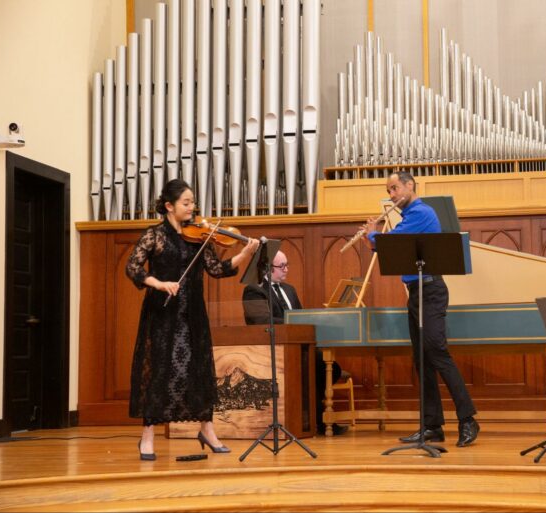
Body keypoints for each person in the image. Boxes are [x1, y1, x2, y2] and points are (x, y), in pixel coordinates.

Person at [126, 179, 260, 460]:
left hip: (193, 313)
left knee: (198, 370)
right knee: (160, 370)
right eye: (186, 203)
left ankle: (207, 429)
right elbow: (133, 267)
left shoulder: (200, 236)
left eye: (192, 202)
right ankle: (147, 435)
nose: (192, 207)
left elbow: (216, 268)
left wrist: (244, 253)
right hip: (162, 312)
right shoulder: (155, 235)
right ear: (169, 206)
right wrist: (159, 283)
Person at [364, 171, 479, 447]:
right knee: (421, 360)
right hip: (417, 292)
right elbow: (391, 248)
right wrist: (374, 238)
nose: (391, 195)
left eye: (394, 188)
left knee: (438, 354)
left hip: (431, 291)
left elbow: (388, 243)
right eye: (388, 190)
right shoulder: (408, 217)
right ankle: (432, 426)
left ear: (409, 186)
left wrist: (372, 232)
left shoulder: (421, 213)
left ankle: (468, 420)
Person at [242, 250, 349, 436]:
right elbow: (260, 322)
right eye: (281, 266)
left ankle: (315, 419)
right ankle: (310, 421)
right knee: (318, 364)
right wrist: (292, 323)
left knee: (328, 365)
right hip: (273, 350)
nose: (286, 270)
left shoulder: (289, 289)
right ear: (267, 268)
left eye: (287, 264)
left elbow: (301, 317)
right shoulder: (254, 289)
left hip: (298, 347)